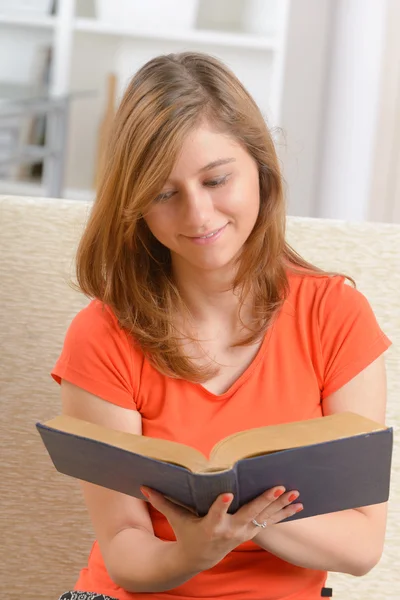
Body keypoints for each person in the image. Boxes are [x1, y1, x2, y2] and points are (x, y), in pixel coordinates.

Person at [53, 52, 391, 600]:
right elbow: (125, 551)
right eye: (165, 194)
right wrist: (195, 549)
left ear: (260, 167)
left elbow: (359, 547)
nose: (199, 215)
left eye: (216, 180)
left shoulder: (336, 316)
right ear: (136, 205)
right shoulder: (102, 335)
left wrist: (243, 515)